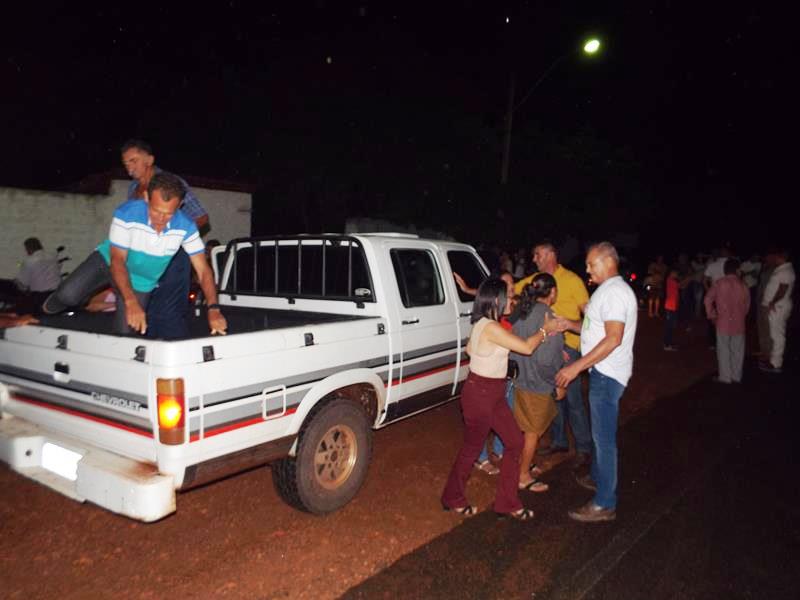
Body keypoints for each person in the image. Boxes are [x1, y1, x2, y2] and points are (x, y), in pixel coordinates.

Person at [43, 172, 227, 337]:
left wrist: (213, 308)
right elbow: (118, 260)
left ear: (180, 205)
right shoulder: (127, 213)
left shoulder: (186, 226)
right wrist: (130, 302)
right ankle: (54, 305)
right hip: (108, 262)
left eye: (168, 214)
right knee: (68, 296)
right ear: (146, 197)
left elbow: (203, 271)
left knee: (127, 334)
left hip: (140, 281)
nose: (160, 220)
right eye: (156, 211)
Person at [441, 277, 558, 521]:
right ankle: (453, 498)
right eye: (509, 295)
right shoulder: (491, 328)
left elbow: (470, 350)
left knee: (514, 443)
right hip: (481, 394)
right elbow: (526, 347)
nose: (513, 300)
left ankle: (506, 503)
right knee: (471, 449)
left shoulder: (485, 323)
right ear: (496, 300)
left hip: (491, 392)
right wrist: (546, 330)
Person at [556, 242, 638, 523]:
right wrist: (569, 324)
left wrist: (576, 366)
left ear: (607, 261)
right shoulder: (608, 291)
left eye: (591, 264)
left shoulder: (615, 292)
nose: (588, 269)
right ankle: (598, 478)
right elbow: (594, 329)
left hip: (607, 374)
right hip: (602, 372)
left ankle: (605, 503)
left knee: (603, 440)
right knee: (600, 434)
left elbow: (613, 338)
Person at [121, 139, 210, 339]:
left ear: (149, 160)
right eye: (126, 163)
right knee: (144, 309)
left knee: (169, 314)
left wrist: (172, 238)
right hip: (142, 258)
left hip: (172, 257)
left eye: (133, 161)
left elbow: (202, 217)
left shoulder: (171, 184)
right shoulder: (132, 189)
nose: (129, 167)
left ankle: (176, 360)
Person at [516, 242, 592, 468]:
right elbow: (510, 289)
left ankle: (584, 447)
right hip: (545, 344)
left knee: (573, 398)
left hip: (568, 347)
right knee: (553, 395)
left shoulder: (572, 280)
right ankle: (559, 441)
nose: (534, 259)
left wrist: (568, 324)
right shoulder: (536, 280)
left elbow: (590, 319)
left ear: (550, 254)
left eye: (537, 254)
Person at [511, 273, 566, 492]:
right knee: (532, 433)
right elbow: (544, 360)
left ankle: (522, 464)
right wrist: (558, 381)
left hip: (520, 378)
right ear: (552, 292)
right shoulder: (548, 317)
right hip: (537, 382)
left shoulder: (522, 310)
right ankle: (523, 476)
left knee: (523, 428)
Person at [704, 258, 750, 383]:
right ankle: (736, 375)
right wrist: (741, 315)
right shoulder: (743, 285)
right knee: (738, 350)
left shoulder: (719, 283)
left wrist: (712, 315)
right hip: (739, 323)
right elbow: (747, 305)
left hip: (722, 322)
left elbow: (707, 299)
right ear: (737, 270)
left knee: (723, 349)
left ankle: (725, 377)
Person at [759, 248, 795, 374]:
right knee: (775, 334)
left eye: (776, 256)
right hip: (778, 305)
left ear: (781, 257)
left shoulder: (785, 271)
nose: (774, 258)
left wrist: (772, 302)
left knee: (777, 335)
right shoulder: (783, 269)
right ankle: (774, 359)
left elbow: (783, 288)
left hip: (778, 307)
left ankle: (775, 363)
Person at [14, 237, 62, 313]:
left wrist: (17, 282)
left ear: (28, 249)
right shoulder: (52, 256)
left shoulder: (29, 261)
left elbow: (23, 285)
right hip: (56, 294)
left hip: (39, 297)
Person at [663, 268, 680, 351]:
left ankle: (669, 343)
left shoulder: (671, 280)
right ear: (671, 273)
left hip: (672, 306)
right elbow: (681, 285)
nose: (677, 274)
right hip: (670, 307)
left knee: (671, 326)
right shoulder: (671, 280)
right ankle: (667, 344)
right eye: (675, 272)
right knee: (669, 327)